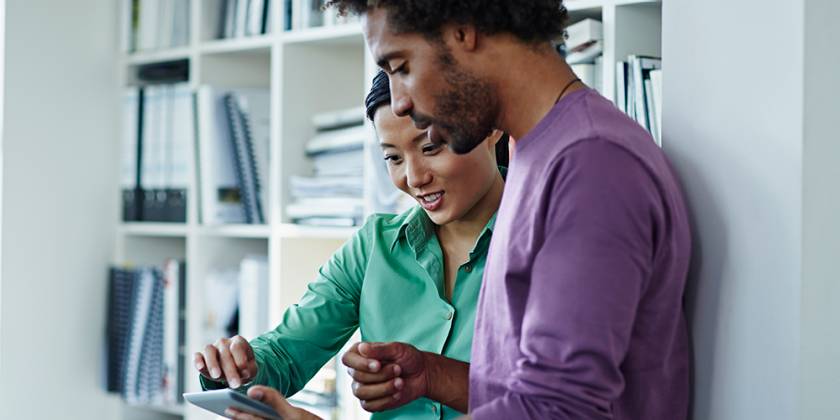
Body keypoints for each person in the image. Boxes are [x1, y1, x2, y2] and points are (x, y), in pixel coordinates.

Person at [320, 1, 693, 419]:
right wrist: (432, 375)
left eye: (401, 67)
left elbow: (557, 409)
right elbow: (529, 387)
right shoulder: (537, 153)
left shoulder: (592, 164)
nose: (400, 102)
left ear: (462, 31)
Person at [194, 70, 506, 420]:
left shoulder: (545, 244)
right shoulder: (374, 247)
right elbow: (285, 354)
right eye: (393, 158)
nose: (415, 178)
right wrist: (238, 368)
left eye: (431, 148)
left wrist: (436, 376)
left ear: (491, 127)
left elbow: (548, 397)